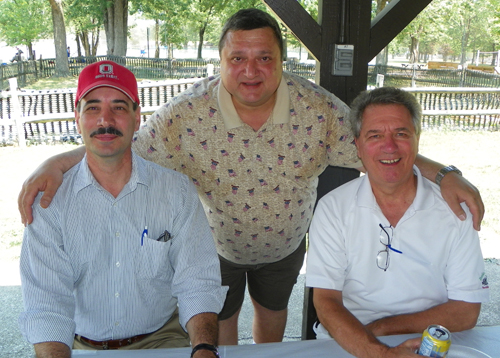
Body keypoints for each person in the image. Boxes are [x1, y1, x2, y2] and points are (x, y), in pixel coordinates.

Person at [18, 9, 484, 345]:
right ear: (220, 61)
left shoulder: (318, 109)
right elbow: (116, 141)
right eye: (238, 58)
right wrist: (55, 164)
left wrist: (443, 174)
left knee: (272, 317)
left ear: (282, 62)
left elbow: (382, 144)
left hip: (283, 246)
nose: (251, 70)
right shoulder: (184, 116)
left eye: (264, 58)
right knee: (220, 322)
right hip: (216, 245)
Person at [19, 60, 228, 358]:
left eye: (118, 107)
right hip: (75, 344)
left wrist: (204, 349)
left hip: (161, 339)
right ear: (77, 118)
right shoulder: (50, 202)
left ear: (137, 118)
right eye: (92, 108)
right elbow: (47, 303)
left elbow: (197, 281)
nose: (105, 119)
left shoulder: (176, 191)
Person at [306, 87, 489, 358]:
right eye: (375, 135)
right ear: (357, 145)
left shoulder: (454, 209)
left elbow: (465, 310)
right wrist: (381, 352)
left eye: (401, 134)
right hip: (351, 339)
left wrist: (380, 329)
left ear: (417, 139)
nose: (389, 146)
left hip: (427, 339)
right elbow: (326, 301)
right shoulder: (333, 208)